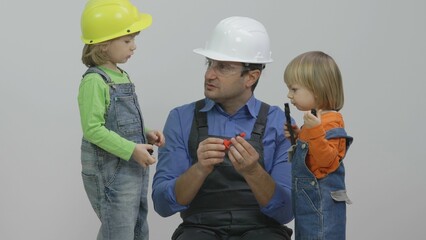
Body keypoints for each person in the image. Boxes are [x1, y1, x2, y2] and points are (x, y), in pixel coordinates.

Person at [152, 16, 293, 240]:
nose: (209, 74)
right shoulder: (181, 118)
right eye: (210, 63)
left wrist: (253, 171)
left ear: (251, 77)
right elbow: (162, 204)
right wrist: (199, 169)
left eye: (224, 67)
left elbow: (286, 211)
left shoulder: (279, 123)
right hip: (199, 229)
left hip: (263, 230)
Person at [78, 0, 165, 239]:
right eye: (127, 40)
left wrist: (144, 132)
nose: (133, 46)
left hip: (131, 164)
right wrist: (131, 149)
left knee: (137, 225)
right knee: (118, 228)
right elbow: (93, 129)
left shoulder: (120, 74)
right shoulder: (95, 81)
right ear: (104, 45)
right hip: (111, 170)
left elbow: (118, 121)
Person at [283, 51, 353, 240]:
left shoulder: (331, 122)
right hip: (308, 203)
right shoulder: (315, 120)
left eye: (294, 89)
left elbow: (327, 161)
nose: (289, 95)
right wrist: (299, 137)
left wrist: (313, 132)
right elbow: (311, 156)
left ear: (317, 88)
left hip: (322, 204)